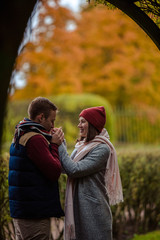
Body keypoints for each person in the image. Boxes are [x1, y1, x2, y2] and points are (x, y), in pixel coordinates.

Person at [58, 106, 123, 240]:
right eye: (79, 121)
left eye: (83, 121)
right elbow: (66, 167)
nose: (78, 125)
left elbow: (74, 170)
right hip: (79, 207)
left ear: (92, 124)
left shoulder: (102, 149)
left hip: (93, 211)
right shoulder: (82, 146)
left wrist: (60, 145)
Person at [8, 97, 65, 240]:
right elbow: (54, 172)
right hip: (33, 213)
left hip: (23, 210)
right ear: (41, 117)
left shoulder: (21, 131)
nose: (53, 126)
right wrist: (55, 145)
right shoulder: (36, 139)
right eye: (52, 120)